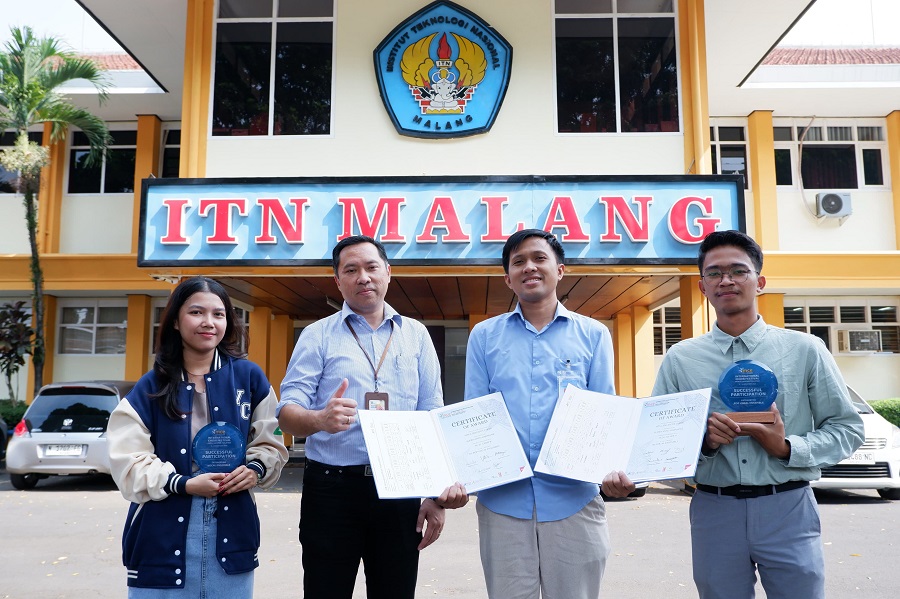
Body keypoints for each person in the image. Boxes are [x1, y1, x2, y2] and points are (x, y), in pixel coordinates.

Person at [652, 230, 864, 599]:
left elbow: (847, 428)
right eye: (715, 273)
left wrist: (785, 448)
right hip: (714, 509)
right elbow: (660, 440)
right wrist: (705, 443)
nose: (727, 280)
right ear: (702, 286)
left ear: (760, 281)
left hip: (788, 505)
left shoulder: (805, 350)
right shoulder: (681, 358)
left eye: (738, 270)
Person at [277, 235, 467, 599]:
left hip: (399, 494)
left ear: (388, 273)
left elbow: (432, 415)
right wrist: (319, 419)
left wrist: (435, 496)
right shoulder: (318, 335)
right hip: (332, 490)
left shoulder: (416, 335)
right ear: (338, 280)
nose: (363, 276)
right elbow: (286, 413)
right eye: (351, 270)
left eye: (371, 267)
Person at [464, 228, 635, 599]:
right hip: (502, 503)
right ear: (507, 278)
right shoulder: (484, 335)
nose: (530, 267)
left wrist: (615, 470)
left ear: (561, 270)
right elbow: (473, 415)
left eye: (539, 259)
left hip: (575, 500)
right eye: (518, 262)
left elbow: (604, 413)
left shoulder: (593, 334)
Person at [107, 276, 288, 597]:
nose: (209, 322)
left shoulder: (249, 378)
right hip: (161, 528)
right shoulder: (150, 386)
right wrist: (184, 483)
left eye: (219, 314)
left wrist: (255, 469)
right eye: (196, 312)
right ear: (176, 320)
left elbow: (270, 438)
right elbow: (127, 460)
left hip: (231, 528)